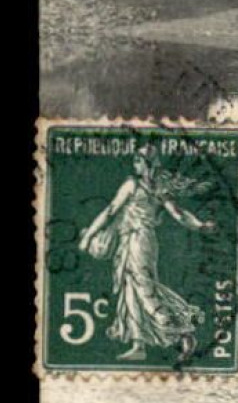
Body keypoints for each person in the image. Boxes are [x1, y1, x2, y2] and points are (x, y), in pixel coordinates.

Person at [77, 147, 214, 362]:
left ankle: (182, 332)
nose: (135, 165)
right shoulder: (159, 188)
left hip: (136, 240)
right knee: (132, 287)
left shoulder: (132, 184)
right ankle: (138, 344)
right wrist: (199, 226)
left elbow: (111, 210)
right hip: (142, 241)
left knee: (143, 287)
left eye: (139, 161)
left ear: (148, 163)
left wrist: (88, 236)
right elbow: (179, 214)